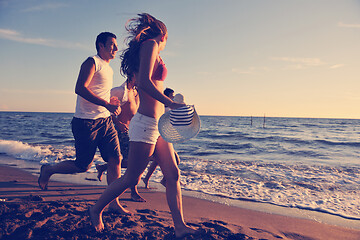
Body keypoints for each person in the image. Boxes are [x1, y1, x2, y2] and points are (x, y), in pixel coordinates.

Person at [89, 13, 196, 238]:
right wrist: (170, 103)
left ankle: (179, 226)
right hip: (146, 123)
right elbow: (145, 82)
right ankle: (96, 209)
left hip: (158, 124)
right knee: (131, 178)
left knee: (173, 173)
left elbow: (149, 82)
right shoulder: (151, 44)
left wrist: (167, 107)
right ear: (163, 35)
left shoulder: (147, 47)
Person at [38, 32, 128, 214]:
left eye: (116, 45)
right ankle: (49, 169)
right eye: (111, 44)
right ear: (100, 45)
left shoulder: (109, 69)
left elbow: (100, 93)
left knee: (115, 159)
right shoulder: (92, 62)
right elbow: (79, 88)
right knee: (83, 165)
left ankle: (113, 202)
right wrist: (105, 104)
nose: (116, 48)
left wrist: (111, 107)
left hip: (105, 122)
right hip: (86, 123)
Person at [95, 75, 146, 202]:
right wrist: (117, 123)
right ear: (132, 76)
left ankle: (103, 168)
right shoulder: (119, 91)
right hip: (121, 132)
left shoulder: (136, 92)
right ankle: (133, 192)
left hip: (134, 131)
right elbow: (104, 108)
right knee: (132, 163)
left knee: (134, 162)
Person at [142, 87, 180, 188]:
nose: (173, 98)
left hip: (162, 137)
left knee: (155, 160)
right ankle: (163, 180)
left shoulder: (165, 108)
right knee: (175, 160)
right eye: (172, 96)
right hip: (156, 137)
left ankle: (147, 179)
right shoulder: (164, 108)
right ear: (166, 97)